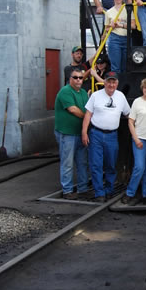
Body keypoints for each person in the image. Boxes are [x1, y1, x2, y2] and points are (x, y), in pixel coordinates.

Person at [82, 71, 130, 201]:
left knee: (111, 164)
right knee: (96, 165)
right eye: (109, 81)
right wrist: (84, 133)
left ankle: (109, 190)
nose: (111, 84)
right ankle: (99, 193)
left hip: (112, 136)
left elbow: (128, 114)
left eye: (114, 82)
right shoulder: (96, 96)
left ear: (117, 83)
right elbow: (88, 115)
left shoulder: (120, 97)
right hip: (96, 134)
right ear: (105, 82)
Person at [122, 78, 146, 205]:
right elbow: (130, 121)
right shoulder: (137, 102)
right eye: (145, 87)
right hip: (140, 139)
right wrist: (136, 138)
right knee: (139, 167)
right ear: (142, 89)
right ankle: (130, 193)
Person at [54, 70, 89, 199]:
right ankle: (67, 190)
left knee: (82, 162)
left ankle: (83, 188)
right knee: (67, 162)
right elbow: (73, 109)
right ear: (70, 79)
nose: (79, 80)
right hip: (67, 133)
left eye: (81, 77)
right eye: (75, 77)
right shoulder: (65, 91)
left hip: (80, 133)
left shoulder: (84, 93)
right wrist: (88, 118)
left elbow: (88, 108)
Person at [103, 0, 136, 74]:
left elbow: (133, 26)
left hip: (127, 38)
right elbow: (106, 28)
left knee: (126, 67)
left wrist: (120, 25)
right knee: (115, 68)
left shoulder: (128, 10)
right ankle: (115, 87)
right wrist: (112, 26)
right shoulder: (108, 12)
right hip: (114, 39)